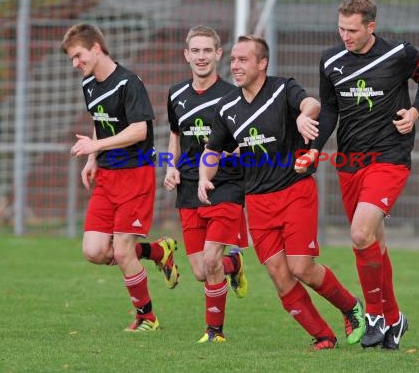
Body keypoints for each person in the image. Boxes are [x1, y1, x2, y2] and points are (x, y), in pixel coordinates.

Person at [198, 35, 365, 351]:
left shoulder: (282, 89)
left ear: (262, 64)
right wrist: (204, 178)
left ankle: (350, 307)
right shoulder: (227, 106)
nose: (235, 65)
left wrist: (304, 115)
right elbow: (212, 149)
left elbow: (312, 103)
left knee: (302, 267)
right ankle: (323, 336)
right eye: (233, 59)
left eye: (243, 59)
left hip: (294, 191)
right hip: (258, 201)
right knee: (279, 274)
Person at [308, 0, 419, 350]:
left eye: (352, 30)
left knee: (359, 232)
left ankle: (376, 315)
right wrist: (314, 149)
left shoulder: (400, 54)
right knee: (373, 243)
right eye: (341, 29)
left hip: (390, 157)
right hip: (349, 161)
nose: (345, 36)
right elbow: (331, 111)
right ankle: (396, 319)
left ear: (371, 26)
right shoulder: (330, 60)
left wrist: (414, 113)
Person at [62, 23, 180, 332]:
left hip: (135, 174)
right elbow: (99, 122)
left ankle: (147, 318)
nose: (76, 63)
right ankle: (158, 251)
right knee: (94, 250)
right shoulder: (89, 83)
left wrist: (96, 146)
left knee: (122, 250)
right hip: (107, 176)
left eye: (78, 55)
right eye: (72, 58)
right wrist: (92, 158)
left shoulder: (129, 83)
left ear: (96, 48)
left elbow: (140, 129)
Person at [164, 25, 248, 343]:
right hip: (187, 188)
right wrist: (171, 168)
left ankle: (215, 333)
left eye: (207, 50)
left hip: (225, 184)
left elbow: (244, 139)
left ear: (218, 54)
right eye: (195, 51)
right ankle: (234, 262)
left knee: (211, 260)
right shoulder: (175, 94)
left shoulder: (233, 95)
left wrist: (219, 158)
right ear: (187, 55)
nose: (201, 57)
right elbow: (175, 135)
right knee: (202, 271)